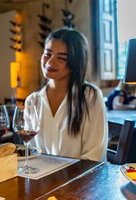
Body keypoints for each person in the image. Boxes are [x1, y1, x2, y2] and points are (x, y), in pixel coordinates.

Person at [26, 28, 108, 161]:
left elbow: (94, 157)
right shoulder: (32, 101)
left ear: (75, 63)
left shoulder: (90, 96)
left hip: (82, 178)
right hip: (43, 178)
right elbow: (31, 152)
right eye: (48, 54)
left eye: (61, 58)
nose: (50, 62)